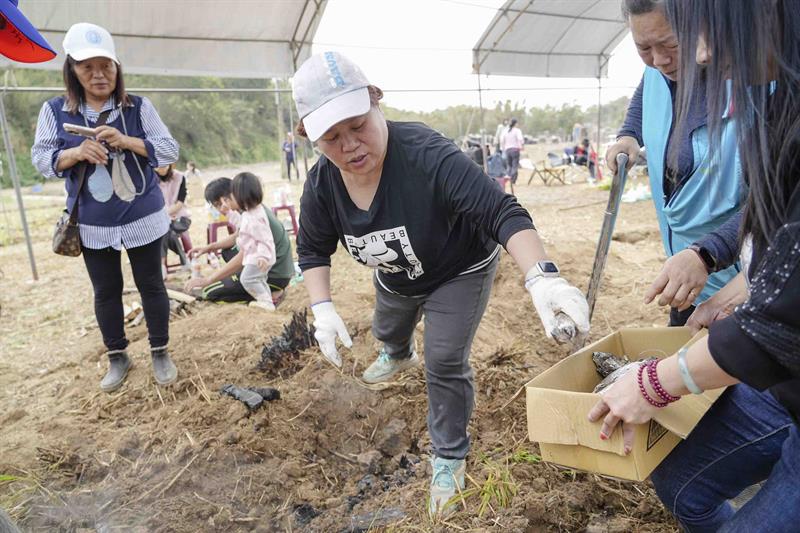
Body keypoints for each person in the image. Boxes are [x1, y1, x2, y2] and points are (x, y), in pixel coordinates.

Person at [291, 51, 590, 515]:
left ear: (376, 101)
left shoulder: (426, 154)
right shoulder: (322, 185)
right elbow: (312, 249)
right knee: (388, 329)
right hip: (397, 274)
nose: (349, 145)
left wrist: (541, 277)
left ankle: (449, 456)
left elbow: (500, 211)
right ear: (311, 138)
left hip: (459, 268)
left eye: (358, 125)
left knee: (445, 358)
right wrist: (322, 309)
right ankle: (397, 353)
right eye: (331, 137)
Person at [589, 1, 800, 531]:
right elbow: (780, 227)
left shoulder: (766, 90)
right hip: (771, 342)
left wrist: (654, 384)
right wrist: (744, 285)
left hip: (779, 350)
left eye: (678, 42)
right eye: (644, 49)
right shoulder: (782, 98)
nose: (701, 55)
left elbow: (777, 331)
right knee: (681, 481)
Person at [31, 22, 180, 392]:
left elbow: (169, 150)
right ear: (72, 70)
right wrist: (76, 152)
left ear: (117, 68)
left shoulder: (138, 107)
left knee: (151, 284)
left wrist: (127, 141)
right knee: (106, 291)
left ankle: (160, 351)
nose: (99, 75)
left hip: (143, 217)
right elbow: (41, 158)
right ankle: (117, 356)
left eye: (106, 66)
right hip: (93, 223)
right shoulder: (55, 111)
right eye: (88, 67)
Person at [605, 0, 745, 327]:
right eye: (643, 48)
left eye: (671, 44)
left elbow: (780, 206)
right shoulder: (659, 69)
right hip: (690, 277)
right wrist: (628, 135)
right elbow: (646, 93)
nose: (659, 60)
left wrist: (707, 253)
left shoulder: (755, 84)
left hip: (743, 286)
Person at [185, 177, 294, 306]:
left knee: (209, 292)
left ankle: (271, 294)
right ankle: (252, 285)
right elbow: (238, 235)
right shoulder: (250, 208)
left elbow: (244, 254)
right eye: (218, 205)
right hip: (272, 263)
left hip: (275, 273)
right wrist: (209, 247)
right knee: (227, 251)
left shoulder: (253, 217)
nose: (221, 209)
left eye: (222, 202)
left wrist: (208, 280)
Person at [224, 172, 276, 311]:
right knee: (259, 279)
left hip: (259, 257)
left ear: (240, 195)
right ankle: (268, 301)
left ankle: (266, 302)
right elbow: (241, 223)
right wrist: (229, 213)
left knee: (247, 279)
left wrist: (263, 256)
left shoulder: (254, 217)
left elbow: (264, 238)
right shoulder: (251, 213)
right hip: (256, 256)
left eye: (233, 195)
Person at [156, 163, 191, 271]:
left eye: (164, 165)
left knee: (164, 230)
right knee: (166, 231)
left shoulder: (179, 177)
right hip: (160, 219)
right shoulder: (151, 179)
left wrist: (165, 215)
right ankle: (184, 259)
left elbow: (180, 203)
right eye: (158, 166)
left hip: (180, 217)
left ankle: (162, 266)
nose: (161, 168)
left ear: (170, 164)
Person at [500, 118, 524, 184]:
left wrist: (503, 148)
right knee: (514, 165)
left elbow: (502, 140)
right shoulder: (517, 131)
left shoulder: (505, 131)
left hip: (507, 150)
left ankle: (508, 178)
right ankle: (513, 180)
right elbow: (520, 139)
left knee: (509, 165)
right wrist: (522, 146)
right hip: (515, 150)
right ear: (515, 124)